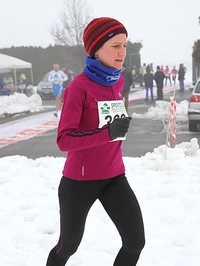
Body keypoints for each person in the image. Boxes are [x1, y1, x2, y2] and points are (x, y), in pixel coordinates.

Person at [46, 17, 145, 266]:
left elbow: (109, 122)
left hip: (114, 176)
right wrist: (108, 133)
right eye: (115, 46)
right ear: (95, 49)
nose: (122, 51)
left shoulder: (118, 81)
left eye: (124, 45)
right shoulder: (79, 88)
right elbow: (64, 139)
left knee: (135, 241)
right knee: (68, 246)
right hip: (79, 181)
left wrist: (116, 129)